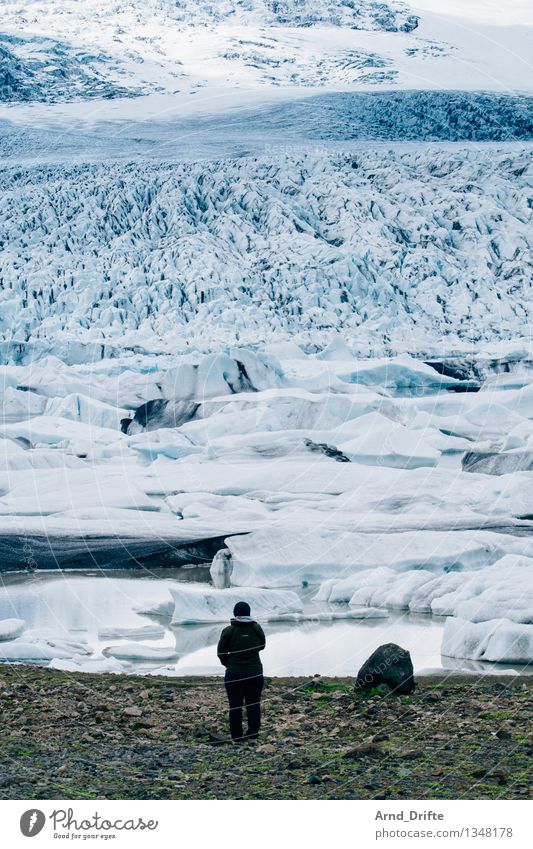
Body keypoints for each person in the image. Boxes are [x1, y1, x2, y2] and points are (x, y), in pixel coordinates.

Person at [217, 601, 266, 741]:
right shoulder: (257, 628)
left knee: (235, 706)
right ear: (249, 613)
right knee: (253, 704)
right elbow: (262, 646)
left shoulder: (228, 630)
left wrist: (230, 665)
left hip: (234, 674)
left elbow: (221, 652)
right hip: (255, 672)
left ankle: (236, 736)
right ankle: (252, 733)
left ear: (235, 613)